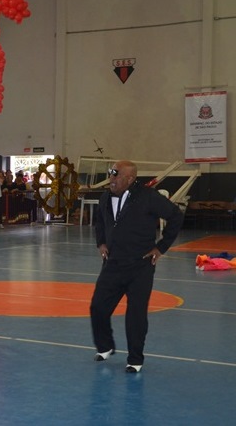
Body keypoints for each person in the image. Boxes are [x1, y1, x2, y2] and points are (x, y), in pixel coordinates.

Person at [91, 160, 184, 373]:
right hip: (112, 264)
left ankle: (135, 359)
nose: (111, 179)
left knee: (136, 315)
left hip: (140, 266)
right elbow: (100, 222)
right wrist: (101, 242)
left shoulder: (148, 197)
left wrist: (161, 247)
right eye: (110, 174)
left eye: (115, 175)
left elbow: (176, 216)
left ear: (130, 178)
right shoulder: (105, 197)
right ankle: (105, 347)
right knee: (98, 307)